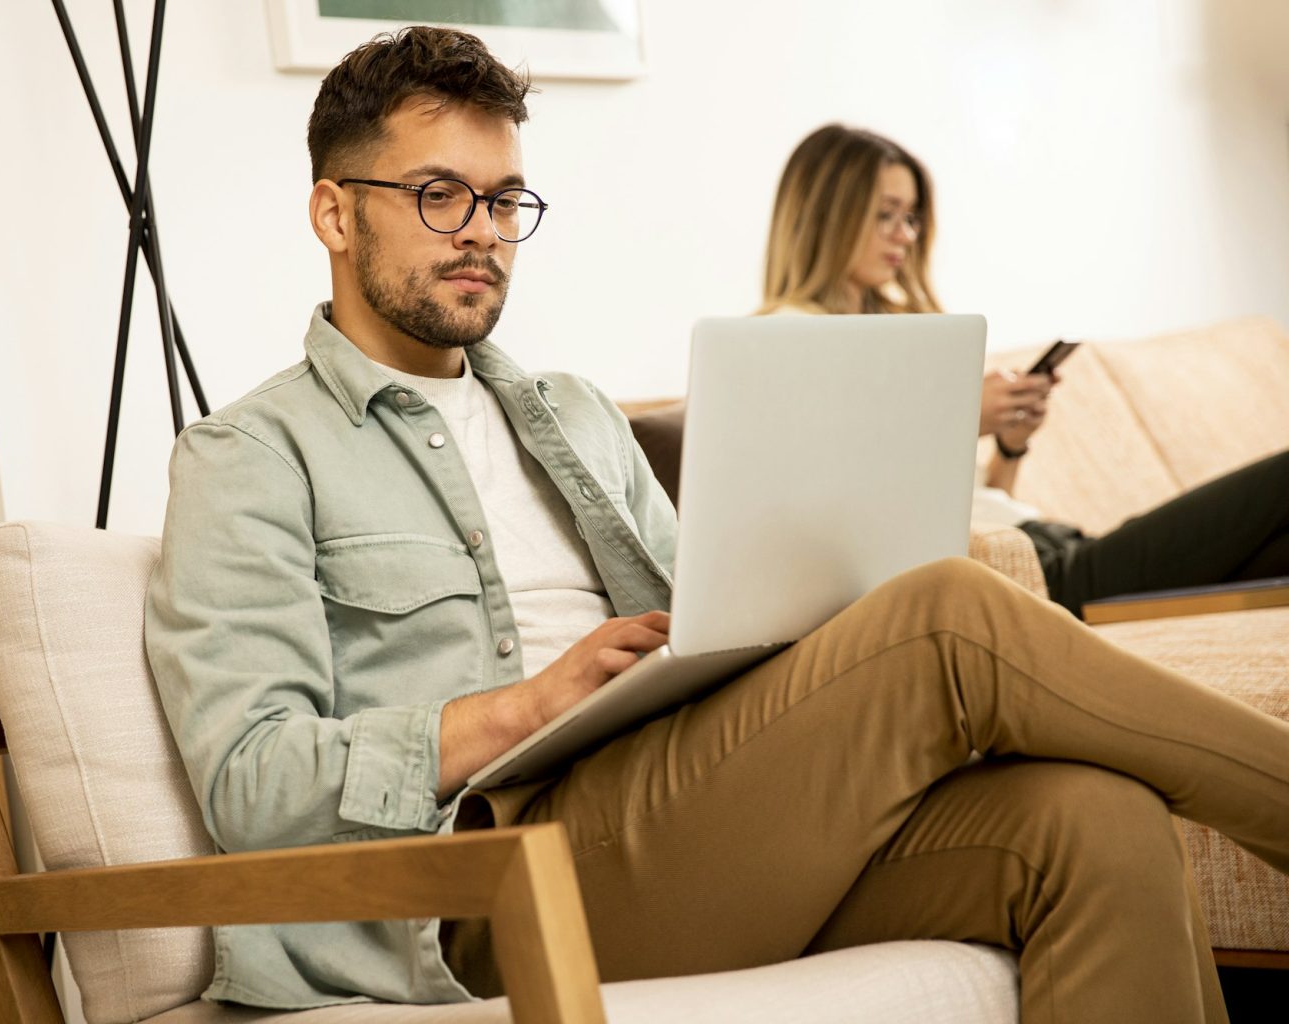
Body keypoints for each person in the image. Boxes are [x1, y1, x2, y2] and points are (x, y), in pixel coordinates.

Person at [145, 28, 1289, 1023]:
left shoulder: (575, 416)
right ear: (334, 213)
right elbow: (251, 780)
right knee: (950, 613)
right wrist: (528, 707)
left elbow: (714, 613)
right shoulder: (249, 457)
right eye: (440, 194)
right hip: (488, 889)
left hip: (675, 810)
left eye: (503, 201)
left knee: (1098, 821)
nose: (482, 232)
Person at [752, 122, 1289, 615]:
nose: (906, 234)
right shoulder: (786, 335)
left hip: (1049, 541)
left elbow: (965, 500)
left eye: (911, 216)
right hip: (1035, 576)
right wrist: (959, 416)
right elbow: (841, 506)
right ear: (827, 213)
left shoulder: (900, 328)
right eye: (885, 214)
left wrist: (1008, 444)